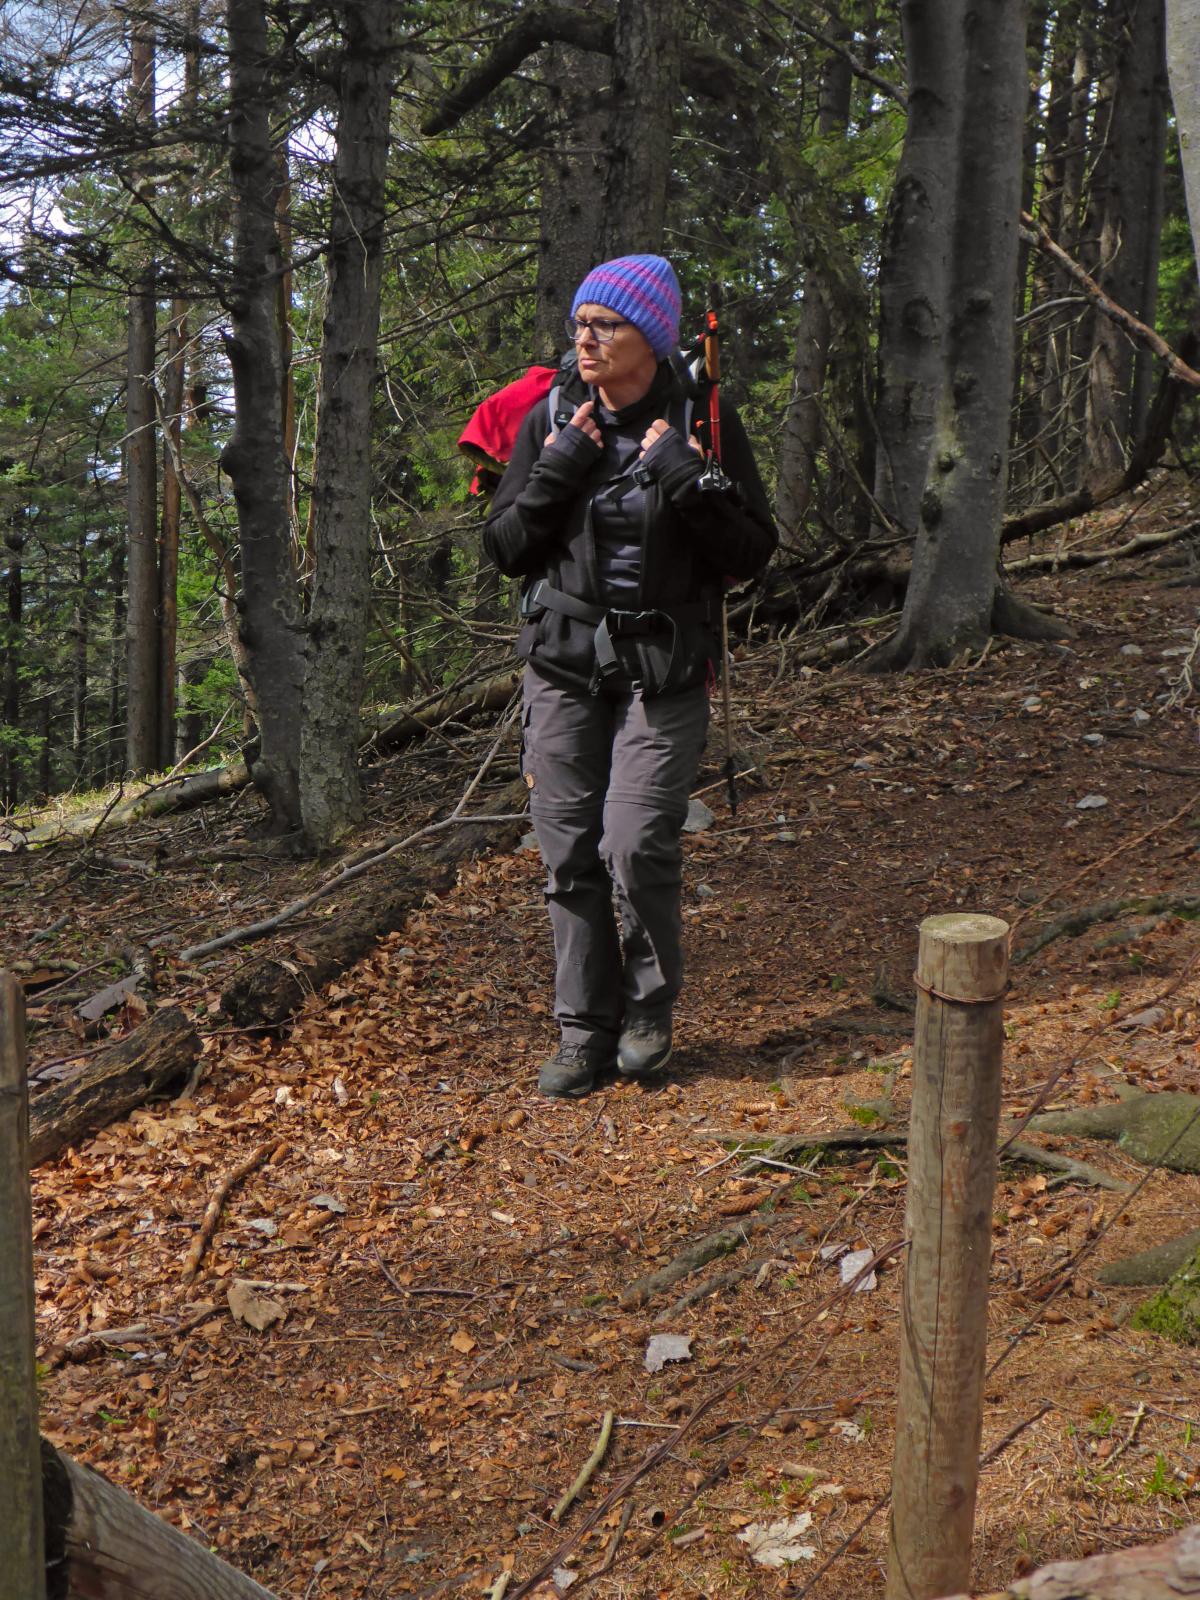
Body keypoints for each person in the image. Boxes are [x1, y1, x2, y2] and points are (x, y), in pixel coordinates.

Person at [484, 254, 776, 1098]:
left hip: (665, 667)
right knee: (568, 851)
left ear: (649, 336)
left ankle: (648, 1012)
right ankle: (585, 1032)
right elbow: (504, 550)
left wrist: (687, 476)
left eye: (603, 325)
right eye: (579, 323)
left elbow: (754, 553)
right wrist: (561, 466)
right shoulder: (552, 419)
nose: (584, 338)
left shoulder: (704, 421)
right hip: (563, 667)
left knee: (635, 842)